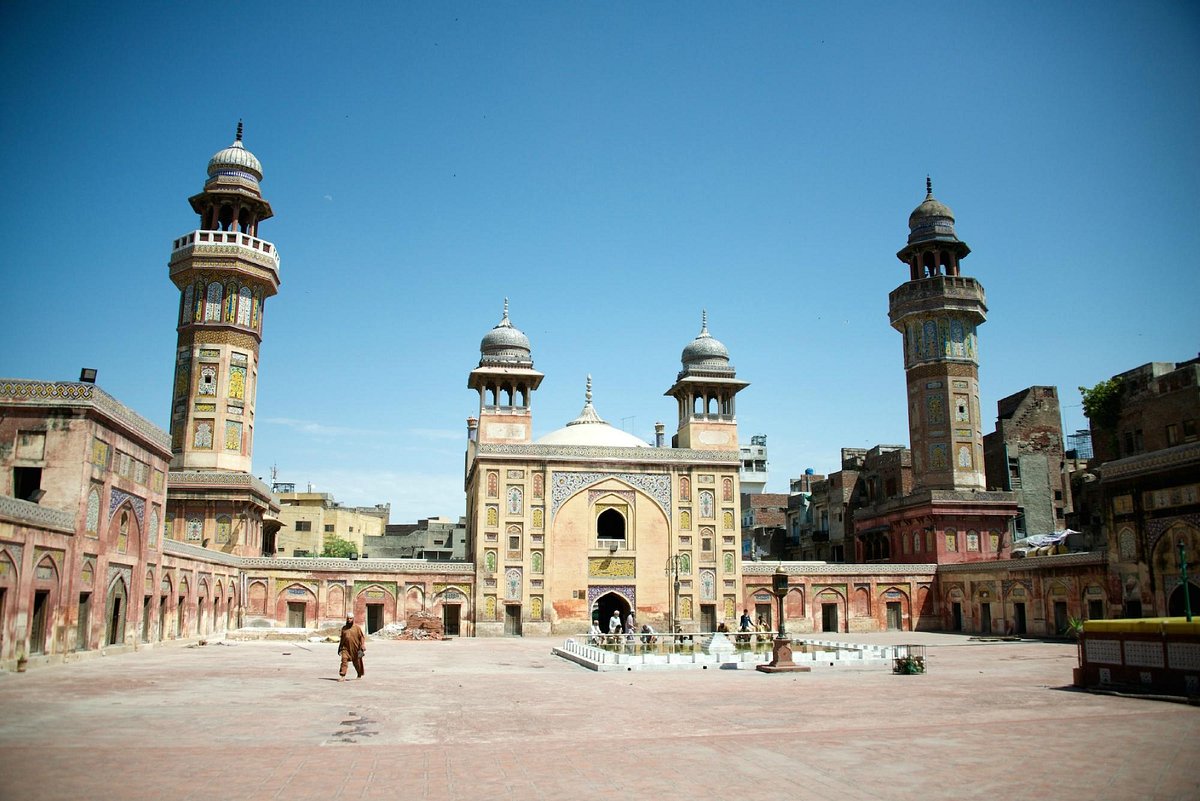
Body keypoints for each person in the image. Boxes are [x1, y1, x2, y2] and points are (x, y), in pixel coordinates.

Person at [338, 614, 366, 682]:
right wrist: (340, 648)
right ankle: (342, 675)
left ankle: (359, 673)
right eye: (348, 618)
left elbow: (361, 637)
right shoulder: (344, 628)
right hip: (346, 648)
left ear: (353, 619)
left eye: (350, 619)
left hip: (355, 648)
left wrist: (362, 645)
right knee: (344, 660)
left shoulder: (357, 628)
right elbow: (342, 639)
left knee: (357, 663)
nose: (349, 620)